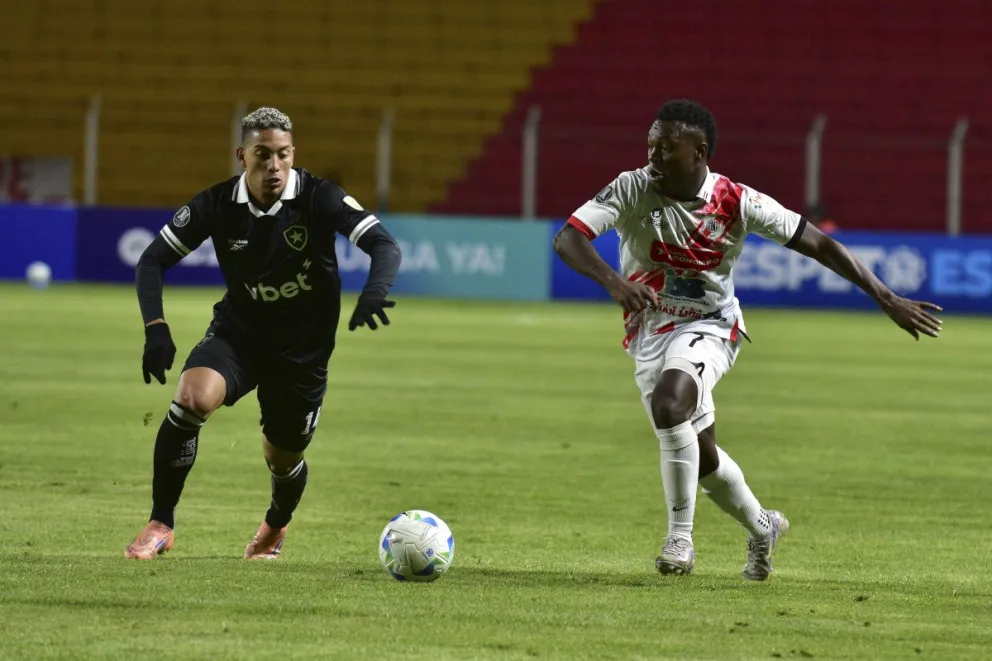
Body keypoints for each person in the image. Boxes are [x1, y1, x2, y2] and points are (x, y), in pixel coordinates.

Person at [553, 99, 942, 580]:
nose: (653, 155)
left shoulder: (736, 201)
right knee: (701, 455)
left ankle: (680, 539)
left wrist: (884, 296)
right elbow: (568, 237)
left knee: (671, 405)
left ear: (699, 153)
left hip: (712, 325)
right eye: (651, 144)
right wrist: (615, 283)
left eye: (666, 147)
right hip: (650, 329)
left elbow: (817, 242)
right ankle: (763, 527)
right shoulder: (632, 187)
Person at [126, 107, 401, 560]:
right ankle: (160, 523)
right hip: (241, 333)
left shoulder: (319, 196)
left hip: (302, 352)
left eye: (283, 155)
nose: (274, 166)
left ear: (293, 154)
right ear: (242, 155)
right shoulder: (215, 204)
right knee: (192, 398)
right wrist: (156, 328)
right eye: (262, 155)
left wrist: (374, 291)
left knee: (283, 457)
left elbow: (383, 244)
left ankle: (275, 525)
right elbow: (151, 260)